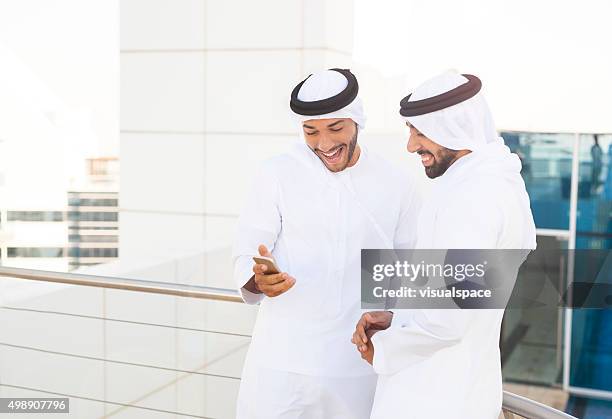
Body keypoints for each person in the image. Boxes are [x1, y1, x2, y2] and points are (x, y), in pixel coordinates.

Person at [232, 68, 421, 419]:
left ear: (357, 121)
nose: (324, 143)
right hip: (280, 362)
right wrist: (259, 279)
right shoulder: (276, 173)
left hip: (353, 367)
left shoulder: (396, 184)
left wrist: (393, 315)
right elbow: (247, 252)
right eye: (311, 131)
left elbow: (407, 271)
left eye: (336, 128)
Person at [352, 70, 537, 419]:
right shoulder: (499, 183)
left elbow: (447, 320)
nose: (411, 146)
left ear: (455, 129)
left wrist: (385, 348)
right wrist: (399, 318)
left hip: (434, 397)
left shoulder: (471, 197)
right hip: (464, 387)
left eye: (420, 133)